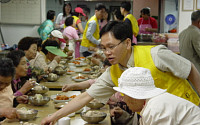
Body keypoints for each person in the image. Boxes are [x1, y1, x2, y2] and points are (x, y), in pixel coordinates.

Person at [41, 21, 200, 125]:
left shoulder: (155, 54)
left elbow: (189, 69)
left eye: (111, 46)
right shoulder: (114, 72)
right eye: (103, 48)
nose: (107, 53)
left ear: (128, 43)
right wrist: (53, 117)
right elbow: (85, 96)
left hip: (185, 112)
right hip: (154, 117)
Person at [113, 67, 200, 124]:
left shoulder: (156, 108)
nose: (123, 99)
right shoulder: (151, 105)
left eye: (124, 95)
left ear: (134, 96)